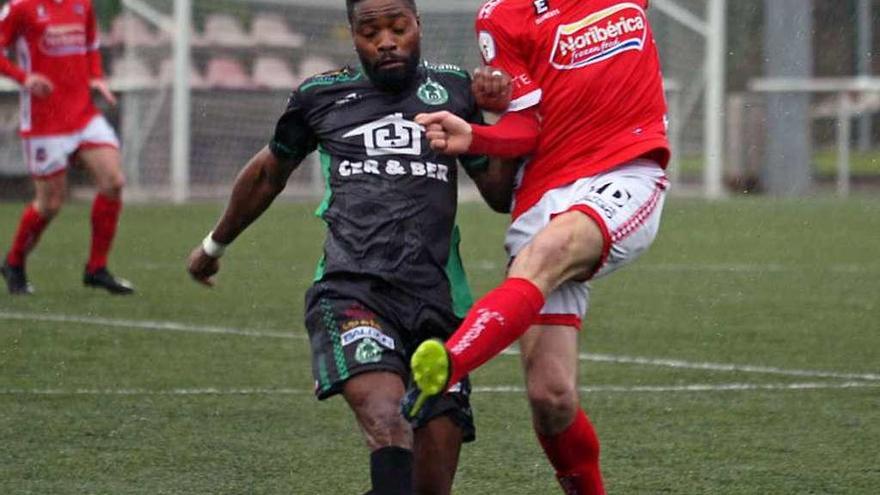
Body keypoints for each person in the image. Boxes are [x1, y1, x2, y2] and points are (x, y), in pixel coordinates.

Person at [186, 0, 513, 493]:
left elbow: (499, 194)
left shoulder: (455, 90)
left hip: (439, 301)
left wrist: (496, 116)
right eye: (370, 31)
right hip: (352, 292)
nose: (386, 41)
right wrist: (214, 244)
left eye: (398, 27)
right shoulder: (320, 96)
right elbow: (269, 173)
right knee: (388, 423)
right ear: (352, 36)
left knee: (424, 487)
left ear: (417, 25)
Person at [404, 1, 671, 493]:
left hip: (623, 169)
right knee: (551, 397)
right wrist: (479, 132)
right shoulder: (502, 16)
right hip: (542, 192)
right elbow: (525, 128)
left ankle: (449, 362)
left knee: (549, 253)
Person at [0, 0, 133, 295]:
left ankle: (96, 268)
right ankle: (14, 262)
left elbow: (90, 45)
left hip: (82, 114)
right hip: (43, 120)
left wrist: (96, 77)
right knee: (50, 204)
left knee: (113, 182)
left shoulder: (81, 4)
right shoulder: (21, 8)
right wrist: (25, 78)